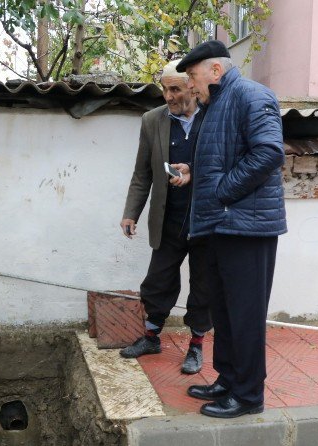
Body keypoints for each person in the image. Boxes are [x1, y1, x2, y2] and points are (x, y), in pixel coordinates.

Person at [170, 40, 287, 418]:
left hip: (247, 228)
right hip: (222, 225)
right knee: (223, 310)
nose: (190, 85)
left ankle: (249, 395)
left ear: (215, 71)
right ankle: (228, 379)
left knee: (245, 314)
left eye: (192, 76)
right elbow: (226, 157)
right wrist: (197, 173)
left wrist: (221, 190)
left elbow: (269, 152)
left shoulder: (252, 96)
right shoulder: (216, 103)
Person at [118, 59, 212, 375]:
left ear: (192, 87)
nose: (168, 96)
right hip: (168, 218)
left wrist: (194, 174)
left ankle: (196, 347)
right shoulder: (152, 121)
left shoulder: (213, 118)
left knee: (202, 287)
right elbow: (142, 173)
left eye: (175, 89)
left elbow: (225, 167)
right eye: (164, 89)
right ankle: (150, 337)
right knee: (157, 283)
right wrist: (131, 213)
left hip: (204, 221)